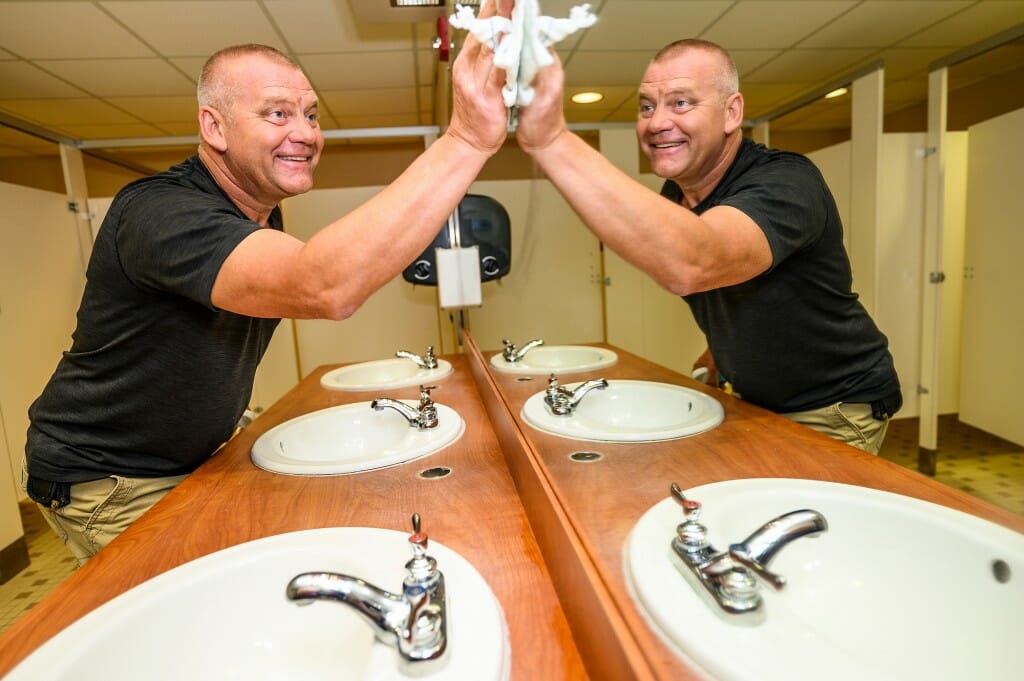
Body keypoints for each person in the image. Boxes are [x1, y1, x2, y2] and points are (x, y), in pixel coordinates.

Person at [23, 20, 511, 565]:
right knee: (206, 615)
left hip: (194, 450)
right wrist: (466, 139)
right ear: (215, 126)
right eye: (276, 114)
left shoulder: (261, 213)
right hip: (110, 475)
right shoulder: (160, 212)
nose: (305, 132)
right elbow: (325, 285)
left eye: (310, 115)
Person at [514, 37, 902, 454]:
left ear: (731, 112)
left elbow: (695, 262)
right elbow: (732, 282)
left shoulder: (788, 182)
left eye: (681, 103)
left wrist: (552, 140)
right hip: (756, 398)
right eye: (647, 106)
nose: (657, 122)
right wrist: (721, 350)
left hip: (833, 404)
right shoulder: (675, 195)